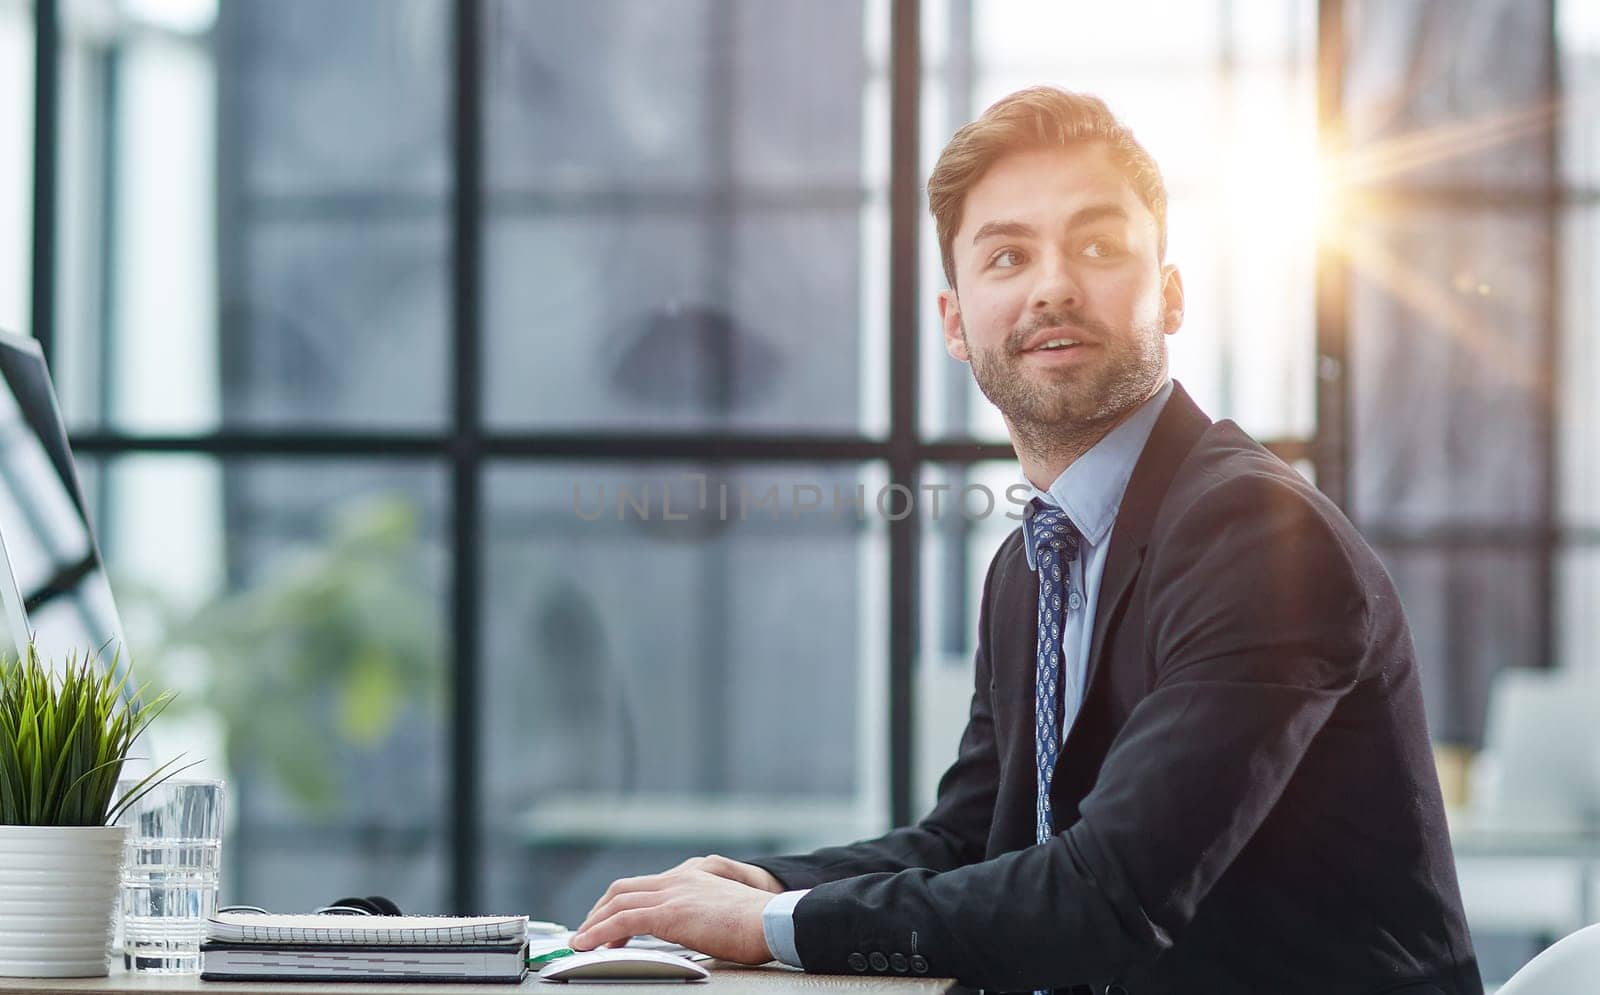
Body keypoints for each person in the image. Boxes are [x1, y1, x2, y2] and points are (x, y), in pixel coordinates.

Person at [569, 86, 1484, 995]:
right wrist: (768, 884)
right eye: (1008, 255)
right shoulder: (1030, 560)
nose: (1054, 284)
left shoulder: (1259, 538)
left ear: (1168, 296)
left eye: (1096, 245)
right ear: (957, 324)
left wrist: (769, 929)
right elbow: (968, 838)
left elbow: (1106, 897)